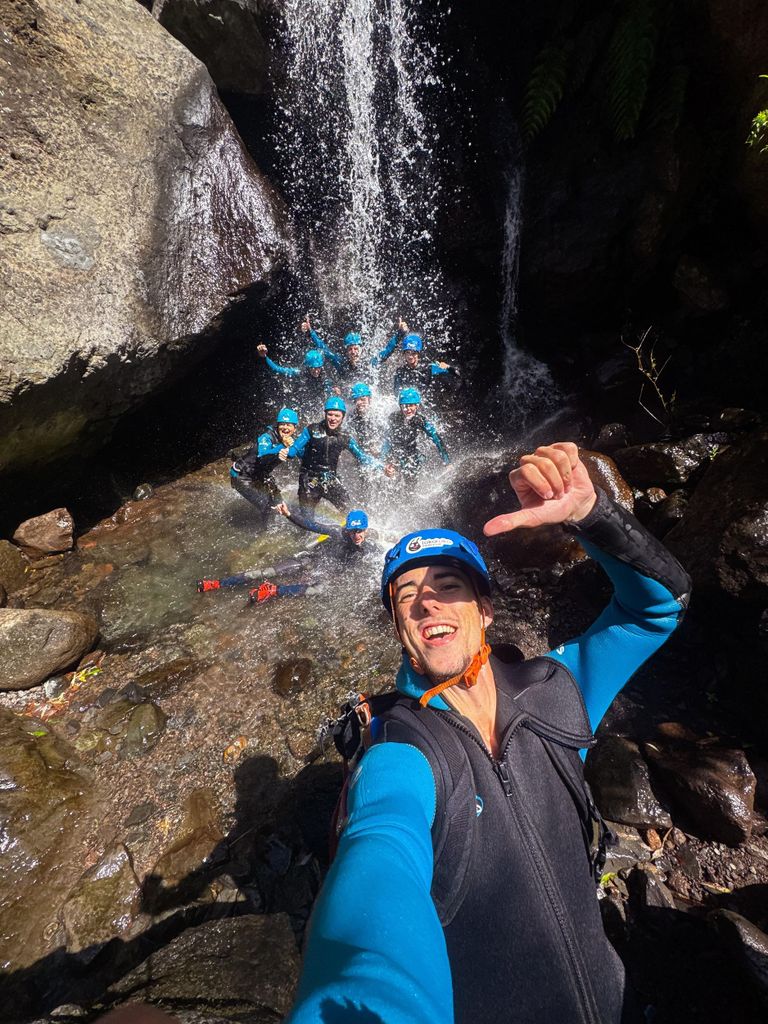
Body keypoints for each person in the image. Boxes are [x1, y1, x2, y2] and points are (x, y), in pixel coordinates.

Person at [286, 442, 691, 1024]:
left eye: (447, 585)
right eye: (407, 596)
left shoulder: (555, 688)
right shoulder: (400, 747)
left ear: (486, 608)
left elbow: (659, 606)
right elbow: (381, 848)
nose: (427, 601)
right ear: (398, 625)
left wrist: (592, 515)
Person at [196, 509, 381, 602]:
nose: (356, 535)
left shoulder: (370, 549)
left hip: (329, 572)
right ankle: (219, 583)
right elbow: (310, 525)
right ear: (347, 530)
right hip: (308, 560)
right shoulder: (335, 532)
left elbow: (384, 561)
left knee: (316, 590)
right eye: (352, 531)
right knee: (264, 572)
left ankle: (272, 590)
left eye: (360, 531)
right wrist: (288, 514)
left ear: (366, 530)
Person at [286, 396, 393, 514]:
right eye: (330, 414)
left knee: (349, 511)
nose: (333, 419)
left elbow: (362, 457)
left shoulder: (345, 437)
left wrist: (382, 467)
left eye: (337, 416)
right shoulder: (311, 430)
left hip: (330, 479)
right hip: (310, 481)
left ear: (342, 417)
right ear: (325, 414)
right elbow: (293, 451)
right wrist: (284, 445)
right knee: (307, 520)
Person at [228, 407, 299, 524]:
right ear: (277, 425)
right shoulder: (266, 437)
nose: (285, 428)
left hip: (260, 474)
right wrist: (281, 446)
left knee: (278, 501)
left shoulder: (290, 440)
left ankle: (290, 523)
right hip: (242, 476)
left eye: (289, 425)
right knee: (267, 506)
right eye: (282, 424)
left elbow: (298, 452)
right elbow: (263, 455)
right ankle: (264, 533)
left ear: (294, 428)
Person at [381, 387, 449, 479]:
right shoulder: (394, 418)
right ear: (400, 406)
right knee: (392, 476)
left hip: (412, 454)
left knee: (411, 475)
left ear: (417, 406)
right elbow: (387, 441)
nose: (408, 409)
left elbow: (436, 439)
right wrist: (383, 462)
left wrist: (447, 462)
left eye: (411, 405)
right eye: (405, 406)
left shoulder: (420, 420)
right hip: (395, 453)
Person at [256, 344, 334, 414]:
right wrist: (264, 357)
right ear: (308, 367)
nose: (316, 371)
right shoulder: (300, 373)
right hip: (302, 403)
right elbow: (278, 369)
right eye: (313, 368)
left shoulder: (325, 377)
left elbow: (329, 393)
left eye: (318, 368)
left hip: (317, 401)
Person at [303, 317, 374, 388]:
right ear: (346, 352)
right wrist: (310, 332)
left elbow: (382, 355)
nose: (353, 352)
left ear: (361, 350)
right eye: (350, 349)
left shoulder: (368, 364)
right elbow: (323, 347)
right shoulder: (341, 363)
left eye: (356, 349)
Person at [391, 332, 456, 399]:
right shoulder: (400, 371)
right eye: (408, 352)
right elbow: (397, 393)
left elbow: (456, 374)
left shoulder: (428, 368)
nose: (410, 356)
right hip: (408, 404)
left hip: (425, 403)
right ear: (404, 354)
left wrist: (448, 367)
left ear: (418, 353)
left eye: (414, 353)